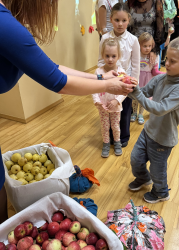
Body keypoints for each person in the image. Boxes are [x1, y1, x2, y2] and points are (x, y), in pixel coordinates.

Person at [0, 0, 135, 224]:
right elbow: (57, 81)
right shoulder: (5, 24)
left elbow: (52, 68)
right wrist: (107, 86)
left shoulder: (8, 23)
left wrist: (101, 77)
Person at [128, 36, 179, 203]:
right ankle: (144, 179)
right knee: (135, 160)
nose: (166, 63)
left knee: (158, 171)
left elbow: (158, 109)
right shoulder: (161, 78)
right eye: (166, 58)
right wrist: (129, 87)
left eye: (172, 61)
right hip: (148, 132)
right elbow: (144, 92)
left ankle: (161, 192)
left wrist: (137, 94)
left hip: (162, 140)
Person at [98, 3, 140, 148]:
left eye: (123, 20)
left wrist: (132, 84)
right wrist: (102, 80)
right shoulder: (104, 38)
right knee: (108, 110)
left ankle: (122, 138)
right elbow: (99, 61)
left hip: (125, 83)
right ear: (111, 19)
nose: (120, 24)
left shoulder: (133, 40)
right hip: (109, 82)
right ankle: (110, 137)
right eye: (116, 20)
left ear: (129, 19)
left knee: (124, 112)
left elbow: (135, 64)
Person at [93, 38, 126, 157]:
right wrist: (97, 102)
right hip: (103, 107)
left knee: (116, 126)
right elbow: (94, 88)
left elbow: (124, 90)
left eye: (113, 56)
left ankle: (117, 142)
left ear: (118, 56)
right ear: (102, 55)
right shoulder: (99, 72)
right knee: (104, 127)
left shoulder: (121, 72)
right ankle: (106, 143)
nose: (110, 59)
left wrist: (117, 101)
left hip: (116, 107)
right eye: (107, 55)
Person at [131, 32, 172, 125]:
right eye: (145, 46)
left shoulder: (155, 56)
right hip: (136, 78)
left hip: (147, 80)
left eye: (149, 46)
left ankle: (140, 114)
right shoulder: (136, 54)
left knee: (143, 97)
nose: (147, 48)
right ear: (139, 45)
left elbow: (155, 72)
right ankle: (134, 112)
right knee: (134, 97)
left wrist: (167, 74)